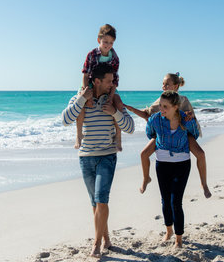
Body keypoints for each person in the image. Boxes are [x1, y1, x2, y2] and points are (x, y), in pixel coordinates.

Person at [62, 63, 135, 258]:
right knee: (95, 203)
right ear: (96, 81)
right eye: (109, 81)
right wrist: (81, 99)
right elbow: (65, 119)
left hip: (107, 156)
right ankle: (107, 239)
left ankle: (96, 244)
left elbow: (130, 127)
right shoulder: (82, 99)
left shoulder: (112, 100)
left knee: (101, 199)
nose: (113, 84)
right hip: (85, 158)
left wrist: (114, 112)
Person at [125, 73, 211, 198]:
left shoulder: (184, 100)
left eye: (167, 84)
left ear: (176, 86)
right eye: (163, 84)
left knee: (201, 154)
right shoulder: (161, 100)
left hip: (183, 133)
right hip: (163, 133)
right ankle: (146, 178)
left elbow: (192, 120)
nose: (163, 86)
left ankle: (204, 184)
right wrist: (131, 109)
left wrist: (189, 116)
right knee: (144, 154)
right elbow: (147, 114)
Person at [146, 90, 198, 248]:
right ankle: (168, 230)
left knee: (176, 201)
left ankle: (179, 239)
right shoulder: (156, 119)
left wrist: (188, 123)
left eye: (165, 106)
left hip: (182, 163)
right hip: (162, 163)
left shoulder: (186, 119)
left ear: (176, 107)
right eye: (161, 105)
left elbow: (193, 134)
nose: (161, 109)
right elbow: (150, 133)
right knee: (165, 200)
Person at [76, 24, 124, 152]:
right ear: (99, 40)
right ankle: (79, 134)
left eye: (111, 43)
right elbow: (85, 75)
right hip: (90, 83)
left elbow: (114, 81)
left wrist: (111, 96)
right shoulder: (91, 55)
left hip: (109, 85)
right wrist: (87, 95)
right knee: (80, 102)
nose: (108, 45)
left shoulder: (114, 58)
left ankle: (118, 136)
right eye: (105, 42)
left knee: (119, 104)